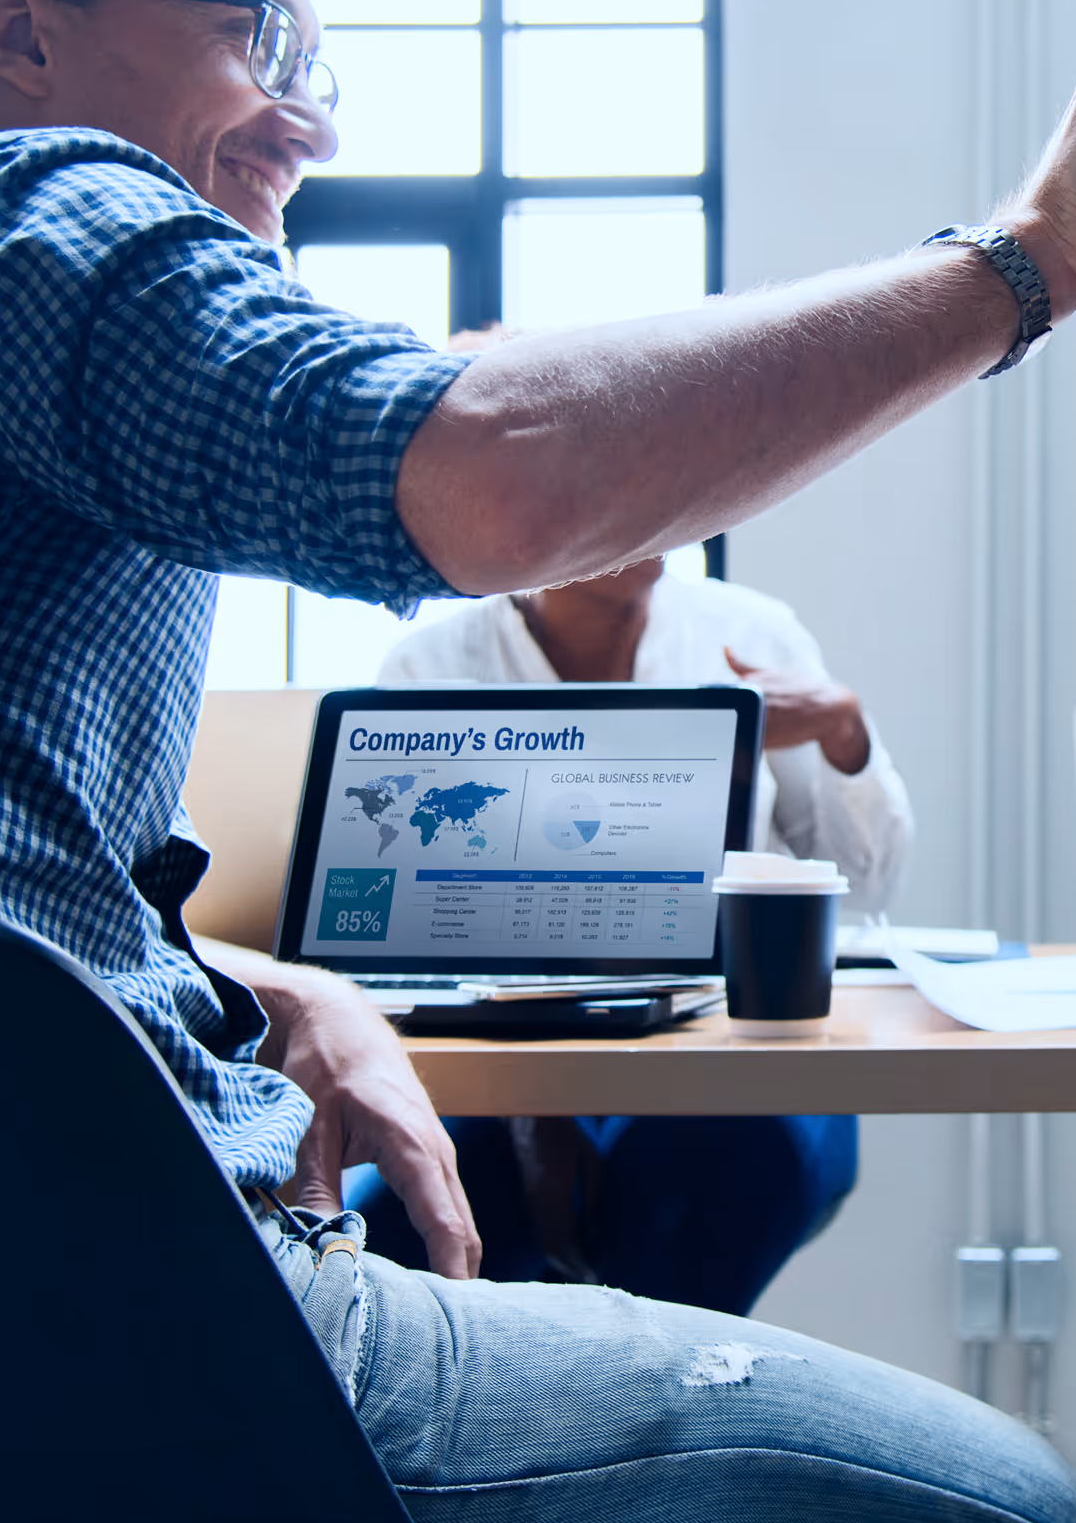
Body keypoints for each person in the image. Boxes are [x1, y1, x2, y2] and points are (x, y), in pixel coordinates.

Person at [0, 0, 1076, 1518]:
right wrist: (1027, 266)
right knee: (1008, 1497)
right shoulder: (34, 215)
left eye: (321, 60)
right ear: (21, 30)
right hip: (91, 1293)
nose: (308, 117)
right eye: (255, 33)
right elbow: (497, 474)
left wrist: (245, 985)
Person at [354, 523, 909, 1309]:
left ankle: (640, 1418)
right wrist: (532, 1115)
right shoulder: (430, 670)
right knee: (387, 1244)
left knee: (706, 1179)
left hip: (725, 1060)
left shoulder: (750, 635)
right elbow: (410, 939)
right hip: (500, 1069)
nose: (655, 513)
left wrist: (843, 730)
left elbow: (867, 881)